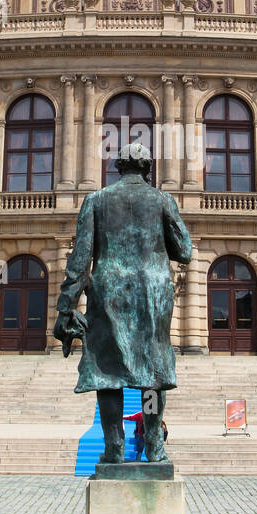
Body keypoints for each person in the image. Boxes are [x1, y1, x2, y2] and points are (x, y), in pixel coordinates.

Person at [54, 143, 193, 464]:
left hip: (108, 293)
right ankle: (155, 444)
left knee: (107, 372)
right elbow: (184, 250)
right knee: (152, 376)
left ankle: (114, 447)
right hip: (153, 294)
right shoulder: (163, 200)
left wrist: (65, 306)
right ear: (148, 169)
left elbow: (80, 260)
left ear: (118, 167)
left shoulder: (96, 200)